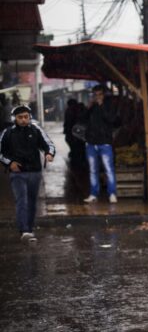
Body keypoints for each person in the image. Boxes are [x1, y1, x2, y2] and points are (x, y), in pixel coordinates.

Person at [0, 105, 55, 242]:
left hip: (35, 172)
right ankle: (24, 230)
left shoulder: (36, 130)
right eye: (20, 117)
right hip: (17, 174)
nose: (24, 120)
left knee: (32, 202)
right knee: (22, 201)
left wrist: (49, 153)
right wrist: (10, 163)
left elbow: (49, 144)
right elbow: (0, 152)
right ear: (14, 119)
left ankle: (29, 229)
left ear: (30, 117)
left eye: (26, 117)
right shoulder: (7, 133)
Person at [81, 85, 119, 204]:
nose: (97, 97)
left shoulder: (109, 106)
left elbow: (111, 119)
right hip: (91, 143)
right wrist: (89, 107)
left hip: (105, 143)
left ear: (104, 95)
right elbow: (82, 119)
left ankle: (112, 193)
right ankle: (93, 194)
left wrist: (101, 105)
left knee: (108, 169)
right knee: (93, 170)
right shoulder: (91, 107)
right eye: (95, 94)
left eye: (99, 94)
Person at [63, 98, 87, 168]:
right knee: (79, 148)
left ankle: (77, 163)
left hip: (74, 133)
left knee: (77, 148)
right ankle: (79, 162)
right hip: (78, 133)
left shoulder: (71, 110)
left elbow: (68, 123)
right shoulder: (77, 109)